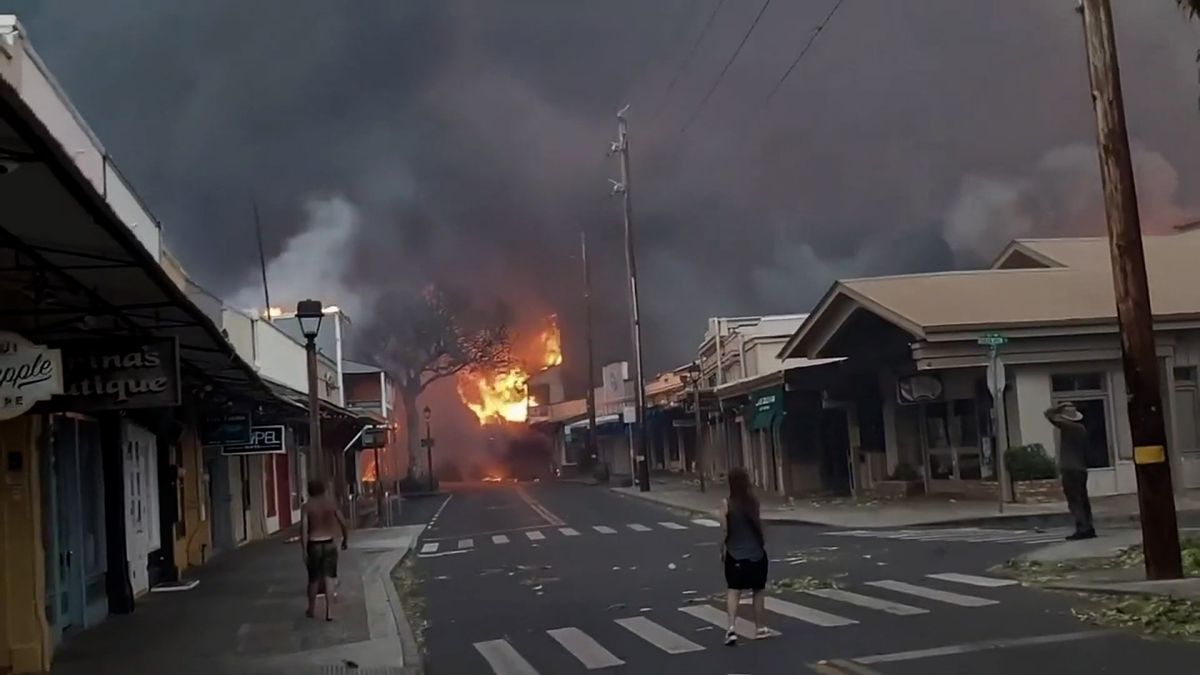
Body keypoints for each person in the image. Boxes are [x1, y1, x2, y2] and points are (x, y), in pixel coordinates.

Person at [719, 467, 769, 645]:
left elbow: (725, 530)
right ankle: (760, 627)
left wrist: (721, 550)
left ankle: (731, 628)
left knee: (734, 591)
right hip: (756, 553)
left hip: (734, 554)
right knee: (758, 590)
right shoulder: (753, 502)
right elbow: (759, 524)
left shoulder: (726, 503)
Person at [1045, 402, 1096, 540]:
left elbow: (1048, 414)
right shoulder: (1082, 429)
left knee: (1074, 500)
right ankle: (1088, 527)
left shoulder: (1069, 427)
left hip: (1070, 468)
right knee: (1083, 499)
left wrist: (1059, 407)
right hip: (1081, 468)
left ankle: (1082, 528)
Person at [301, 479, 349, 620]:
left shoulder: (307, 506)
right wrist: (345, 539)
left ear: (309, 490)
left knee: (313, 579)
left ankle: (311, 609)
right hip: (329, 543)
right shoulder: (331, 503)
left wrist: (304, 550)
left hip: (314, 544)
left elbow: (304, 530)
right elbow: (343, 523)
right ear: (323, 489)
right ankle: (330, 611)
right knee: (329, 577)